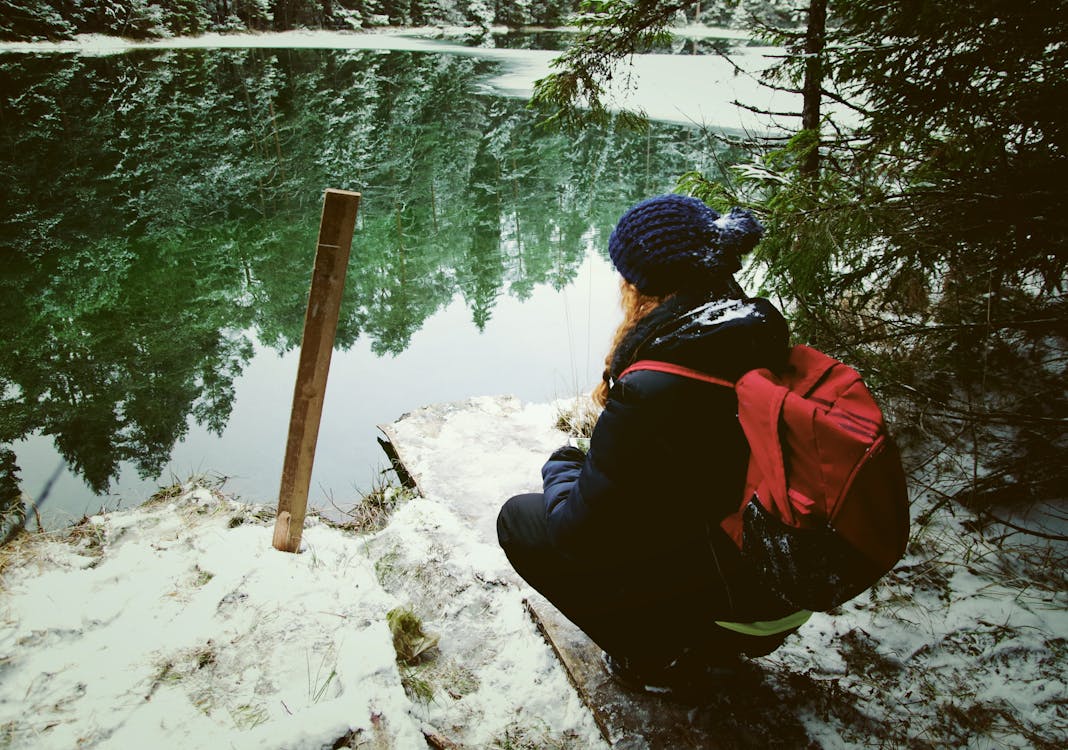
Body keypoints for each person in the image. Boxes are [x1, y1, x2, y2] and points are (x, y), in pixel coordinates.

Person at [496, 194, 808, 697]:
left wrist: (563, 466)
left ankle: (658, 658)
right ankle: (706, 643)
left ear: (643, 287)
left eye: (625, 274)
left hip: (739, 598)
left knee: (520, 519)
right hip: (787, 588)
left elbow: (577, 533)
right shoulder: (757, 335)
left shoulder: (657, 386)